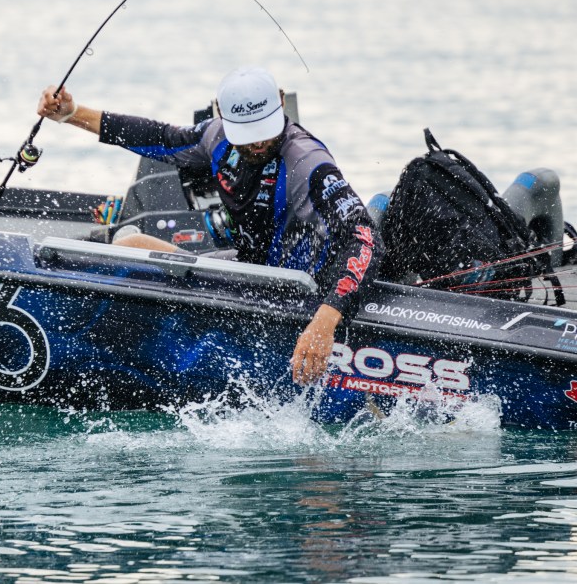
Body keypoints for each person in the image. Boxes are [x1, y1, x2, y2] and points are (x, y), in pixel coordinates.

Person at [37, 67, 382, 386]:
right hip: (251, 275)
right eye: (247, 134)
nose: (258, 143)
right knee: (130, 246)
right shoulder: (216, 137)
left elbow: (365, 239)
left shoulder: (308, 162)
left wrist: (325, 320)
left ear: (280, 102)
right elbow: (160, 136)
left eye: (264, 131)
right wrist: (71, 113)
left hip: (299, 293)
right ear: (222, 114)